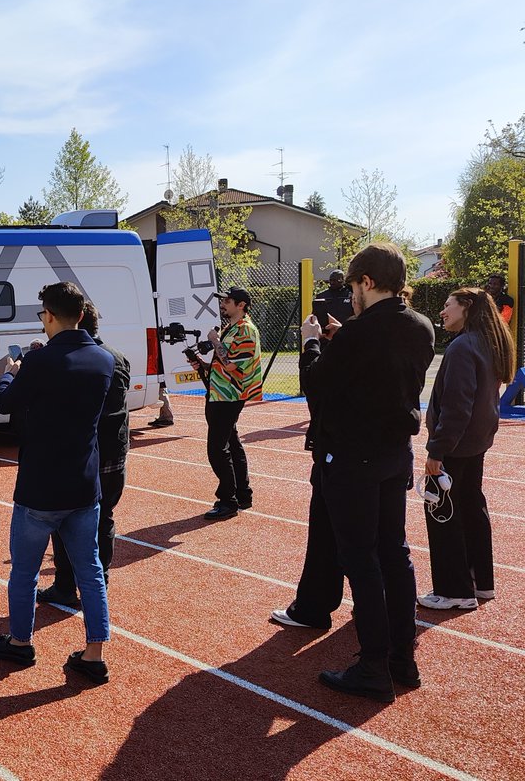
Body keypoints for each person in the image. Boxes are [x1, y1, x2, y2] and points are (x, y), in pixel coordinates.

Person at [297, 243, 435, 703]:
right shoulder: (421, 326)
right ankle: (402, 658)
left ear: (367, 282)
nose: (350, 295)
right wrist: (344, 340)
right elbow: (378, 373)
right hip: (396, 453)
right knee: (395, 553)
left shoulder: (358, 333)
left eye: (354, 286)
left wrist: (312, 342)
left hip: (354, 457)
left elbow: (317, 387)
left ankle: (373, 664)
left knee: (361, 558)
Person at [0, 282, 113, 683]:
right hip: (83, 483)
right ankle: (94, 652)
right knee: (90, 569)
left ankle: (21, 643)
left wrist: (10, 375)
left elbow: (6, 404)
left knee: (24, 572)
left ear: (50, 316)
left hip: (40, 485)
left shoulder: (39, 362)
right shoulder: (104, 360)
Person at [418, 287, 515, 610]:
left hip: (456, 446)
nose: (443, 312)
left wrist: (437, 450)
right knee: (473, 509)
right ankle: (480, 582)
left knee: (442, 513)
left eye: (448, 305)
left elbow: (457, 405)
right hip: (476, 443)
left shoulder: (462, 347)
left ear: (467, 307)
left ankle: (454, 590)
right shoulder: (490, 344)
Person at [37, 301, 129, 607]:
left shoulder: (73, 359)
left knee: (63, 521)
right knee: (105, 520)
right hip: (114, 455)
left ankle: (66, 586)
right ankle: (97, 584)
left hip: (82, 456)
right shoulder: (118, 358)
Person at [187, 286, 263, 520]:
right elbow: (224, 364)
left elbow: (231, 363)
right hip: (221, 392)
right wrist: (204, 365)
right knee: (232, 443)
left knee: (217, 449)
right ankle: (242, 494)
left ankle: (227, 500)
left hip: (228, 396)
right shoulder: (233, 328)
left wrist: (214, 339)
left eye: (228, 301)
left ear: (241, 305)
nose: (223, 304)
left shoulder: (245, 330)